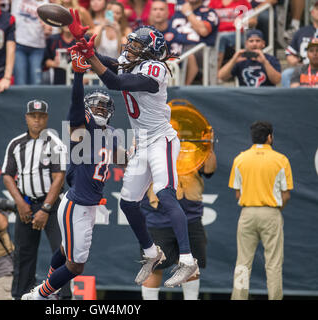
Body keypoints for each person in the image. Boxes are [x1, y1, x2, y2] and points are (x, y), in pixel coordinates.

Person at [67, 11, 199, 288]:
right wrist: (83, 45)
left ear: (151, 52)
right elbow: (112, 64)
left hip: (162, 139)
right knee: (127, 202)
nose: (130, 50)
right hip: (142, 143)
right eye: (132, 45)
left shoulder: (157, 69)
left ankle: (187, 259)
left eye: (138, 47)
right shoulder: (133, 62)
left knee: (164, 194)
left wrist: (90, 58)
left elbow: (115, 82)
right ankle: (151, 253)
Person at [21, 49, 122, 300]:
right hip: (77, 204)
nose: (99, 110)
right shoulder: (81, 130)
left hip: (87, 205)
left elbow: (120, 158)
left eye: (103, 107)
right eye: (95, 106)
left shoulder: (107, 134)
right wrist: (78, 75)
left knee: (67, 251)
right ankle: (40, 295)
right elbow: (76, 106)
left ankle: (46, 290)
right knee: (76, 266)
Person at [2, 99, 70, 300]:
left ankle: (65, 298)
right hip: (26, 205)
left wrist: (46, 208)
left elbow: (59, 176)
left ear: (46, 118)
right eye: (33, 116)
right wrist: (21, 203)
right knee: (23, 255)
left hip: (52, 206)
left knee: (62, 252)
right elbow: (7, 175)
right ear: (27, 117)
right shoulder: (16, 144)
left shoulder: (55, 144)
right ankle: (20, 296)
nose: (37, 121)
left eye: (41, 116)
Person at [229, 121, 293, 300]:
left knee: (243, 263)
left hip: (247, 213)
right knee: (273, 264)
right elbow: (285, 195)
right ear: (269, 137)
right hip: (271, 213)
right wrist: (274, 209)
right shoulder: (281, 160)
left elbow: (237, 194)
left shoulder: (240, 159)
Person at [141, 148, 216, 300]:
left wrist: (208, 144)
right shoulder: (152, 142)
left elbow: (209, 169)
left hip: (190, 218)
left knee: (190, 265)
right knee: (153, 267)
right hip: (159, 218)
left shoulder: (194, 146)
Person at [164, 0, 219, 84]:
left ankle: (183, 88)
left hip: (197, 51)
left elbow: (203, 31)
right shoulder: (177, 14)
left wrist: (189, 13)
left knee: (188, 54)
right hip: (175, 48)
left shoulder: (209, 13)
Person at [12, 0, 52, 85]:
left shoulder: (46, 4)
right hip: (19, 44)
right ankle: (21, 99)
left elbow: (49, 29)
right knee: (20, 81)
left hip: (37, 48)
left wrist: (47, 29)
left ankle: (35, 99)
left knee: (36, 82)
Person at [208, 0, 257, 68]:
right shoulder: (213, 2)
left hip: (237, 34)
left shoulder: (242, 2)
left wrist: (242, 22)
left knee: (221, 38)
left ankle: (216, 72)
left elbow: (253, 21)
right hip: (216, 34)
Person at [281, 1, 318, 87]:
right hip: (304, 68)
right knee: (286, 74)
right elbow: (289, 53)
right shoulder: (301, 32)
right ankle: (290, 99)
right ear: (312, 12)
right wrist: (294, 61)